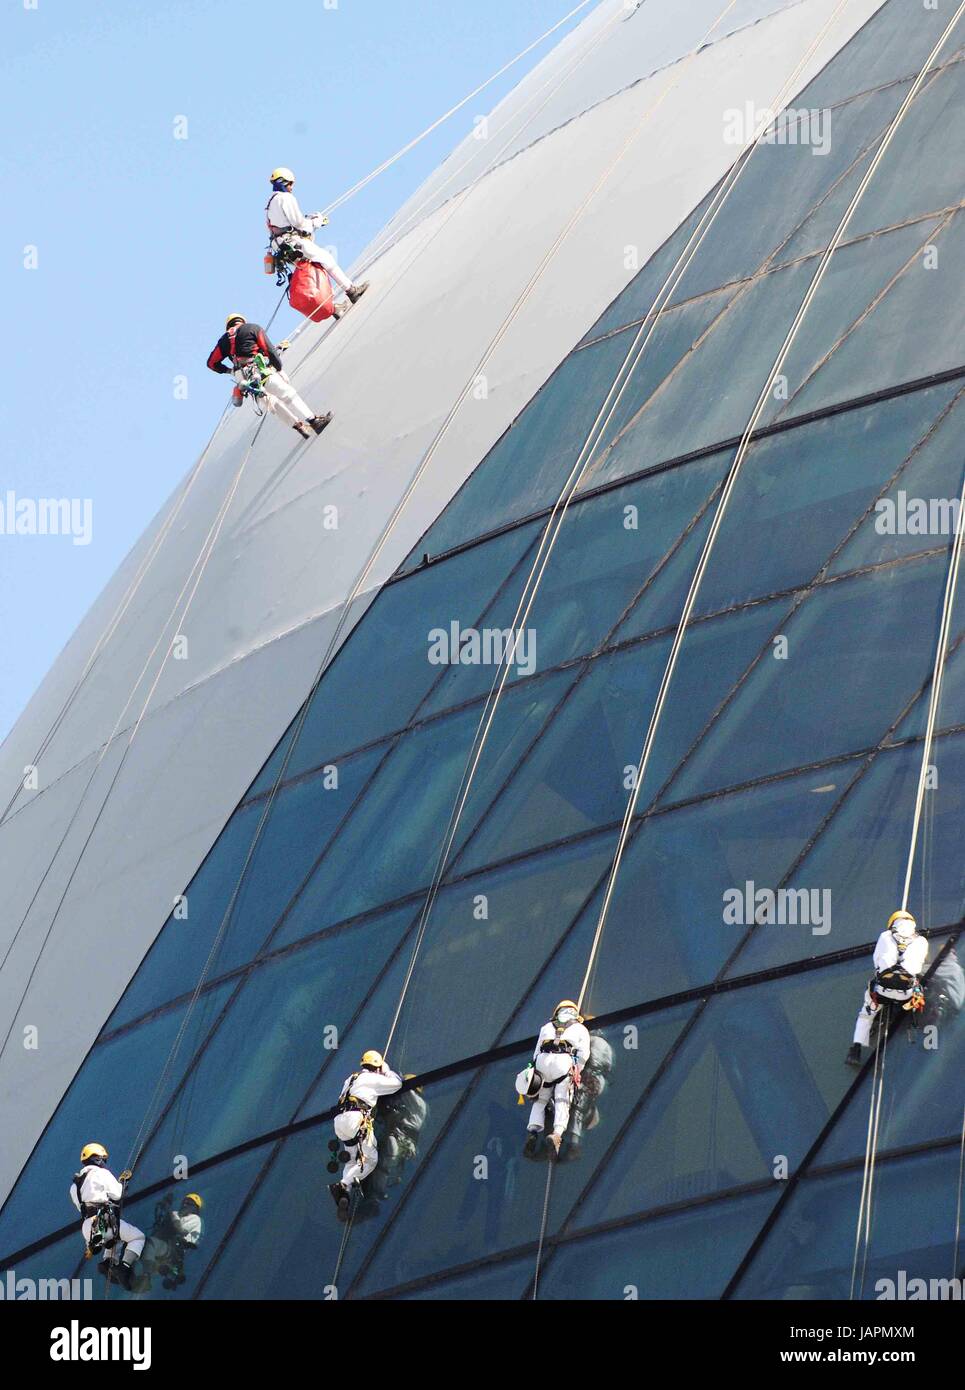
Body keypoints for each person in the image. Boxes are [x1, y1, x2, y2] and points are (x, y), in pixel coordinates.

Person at [206, 314, 332, 439]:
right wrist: (279, 368)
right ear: (242, 321)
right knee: (287, 394)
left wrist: (230, 371)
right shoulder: (252, 328)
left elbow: (211, 363)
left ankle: (299, 427)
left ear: (229, 326)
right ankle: (314, 421)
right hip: (260, 371)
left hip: (245, 381)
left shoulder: (223, 340)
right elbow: (268, 349)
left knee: (272, 404)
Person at [265, 167, 369, 303]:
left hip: (282, 248)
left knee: (310, 273)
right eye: (290, 183)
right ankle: (351, 291)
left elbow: (281, 226)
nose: (291, 187)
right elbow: (299, 223)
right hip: (292, 243)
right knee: (326, 259)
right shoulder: (285, 198)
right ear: (283, 182)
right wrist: (316, 222)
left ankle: (333, 308)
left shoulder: (270, 204)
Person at [847, 910, 927, 1065]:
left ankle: (856, 1050)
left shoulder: (885, 936)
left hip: (882, 990)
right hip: (906, 994)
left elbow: (877, 960)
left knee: (866, 1014)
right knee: (918, 990)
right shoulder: (921, 941)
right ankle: (912, 1022)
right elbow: (918, 966)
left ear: (893, 923)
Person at [329, 1050, 402, 1217]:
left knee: (353, 1158)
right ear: (376, 1067)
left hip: (340, 1122)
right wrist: (386, 1070)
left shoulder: (351, 1078)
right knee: (370, 1160)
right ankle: (342, 1185)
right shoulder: (372, 1078)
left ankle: (344, 1190)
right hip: (356, 1119)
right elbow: (396, 1084)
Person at [517, 1000, 591, 1156]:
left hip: (543, 1061)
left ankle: (533, 1131)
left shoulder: (546, 1027)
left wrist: (536, 1070)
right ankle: (557, 1134)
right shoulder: (580, 1028)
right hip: (563, 1061)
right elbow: (584, 1053)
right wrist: (577, 1069)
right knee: (562, 1099)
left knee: (540, 1100)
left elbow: (536, 1052)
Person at [69, 1142, 145, 1290]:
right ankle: (124, 1267)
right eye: (103, 1160)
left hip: (87, 1226)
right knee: (137, 1237)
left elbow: (82, 1206)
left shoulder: (75, 1186)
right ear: (97, 1159)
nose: (104, 1163)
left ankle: (107, 1261)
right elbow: (117, 1194)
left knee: (116, 1238)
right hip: (104, 1219)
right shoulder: (101, 1173)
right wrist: (122, 1182)